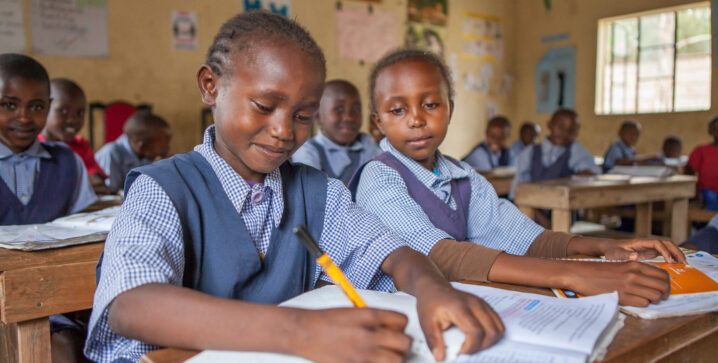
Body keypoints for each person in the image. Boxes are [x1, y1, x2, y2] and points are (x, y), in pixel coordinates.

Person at [85, 12, 503, 363]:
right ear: (211, 86)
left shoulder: (319, 194)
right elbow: (130, 305)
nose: (284, 131)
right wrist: (299, 331)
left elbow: (393, 254)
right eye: (264, 107)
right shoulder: (164, 188)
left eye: (304, 115)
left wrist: (431, 288)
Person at [351, 48, 683, 309]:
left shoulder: (464, 177)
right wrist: (579, 274)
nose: (416, 120)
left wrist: (604, 248)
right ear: (377, 122)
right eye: (398, 110)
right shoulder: (380, 177)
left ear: (449, 108)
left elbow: (526, 238)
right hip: (402, 315)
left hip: (464, 303)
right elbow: (438, 256)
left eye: (430, 104)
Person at [0, 53, 97, 363]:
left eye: (37, 107)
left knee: (63, 352)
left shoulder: (68, 162)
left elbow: (85, 231)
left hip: (52, 301)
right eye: (9, 105)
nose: (24, 118)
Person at [291, 80, 380, 184]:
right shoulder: (307, 151)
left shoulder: (366, 144)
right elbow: (313, 190)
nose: (349, 118)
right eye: (339, 109)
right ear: (318, 116)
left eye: (356, 110)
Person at [39, 78, 111, 195]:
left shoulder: (81, 145)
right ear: (44, 109)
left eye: (80, 113)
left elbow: (98, 183)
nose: (73, 120)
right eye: (63, 111)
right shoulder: (32, 147)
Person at [511, 109, 600, 199]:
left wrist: (570, 179)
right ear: (549, 124)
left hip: (564, 207)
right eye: (561, 127)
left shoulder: (574, 150)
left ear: (576, 133)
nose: (565, 133)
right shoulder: (529, 153)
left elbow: (592, 173)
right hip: (530, 208)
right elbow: (517, 192)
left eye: (571, 130)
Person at [94, 111, 171, 194]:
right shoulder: (111, 153)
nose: (167, 148)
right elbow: (109, 191)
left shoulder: (145, 156)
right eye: (164, 145)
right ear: (143, 146)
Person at [686, 116, 718, 211]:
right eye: (716, 128)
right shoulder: (701, 150)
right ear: (710, 131)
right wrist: (696, 193)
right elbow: (689, 171)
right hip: (706, 191)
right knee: (712, 204)